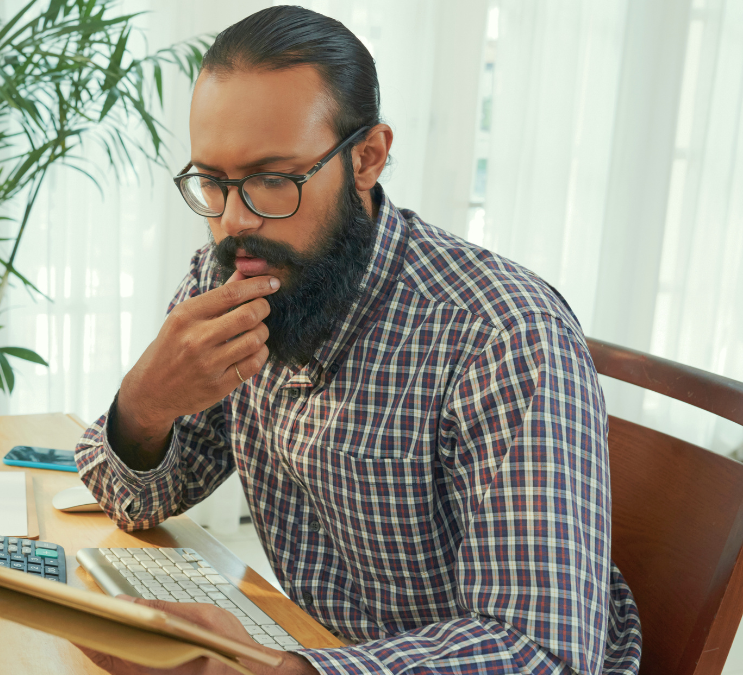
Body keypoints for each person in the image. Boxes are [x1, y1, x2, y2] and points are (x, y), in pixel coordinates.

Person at [72, 6, 642, 675]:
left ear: (366, 158)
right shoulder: (238, 274)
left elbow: (540, 654)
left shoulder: (502, 338)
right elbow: (138, 500)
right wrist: (144, 404)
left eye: (271, 179)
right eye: (212, 181)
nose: (233, 220)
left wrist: (286, 670)